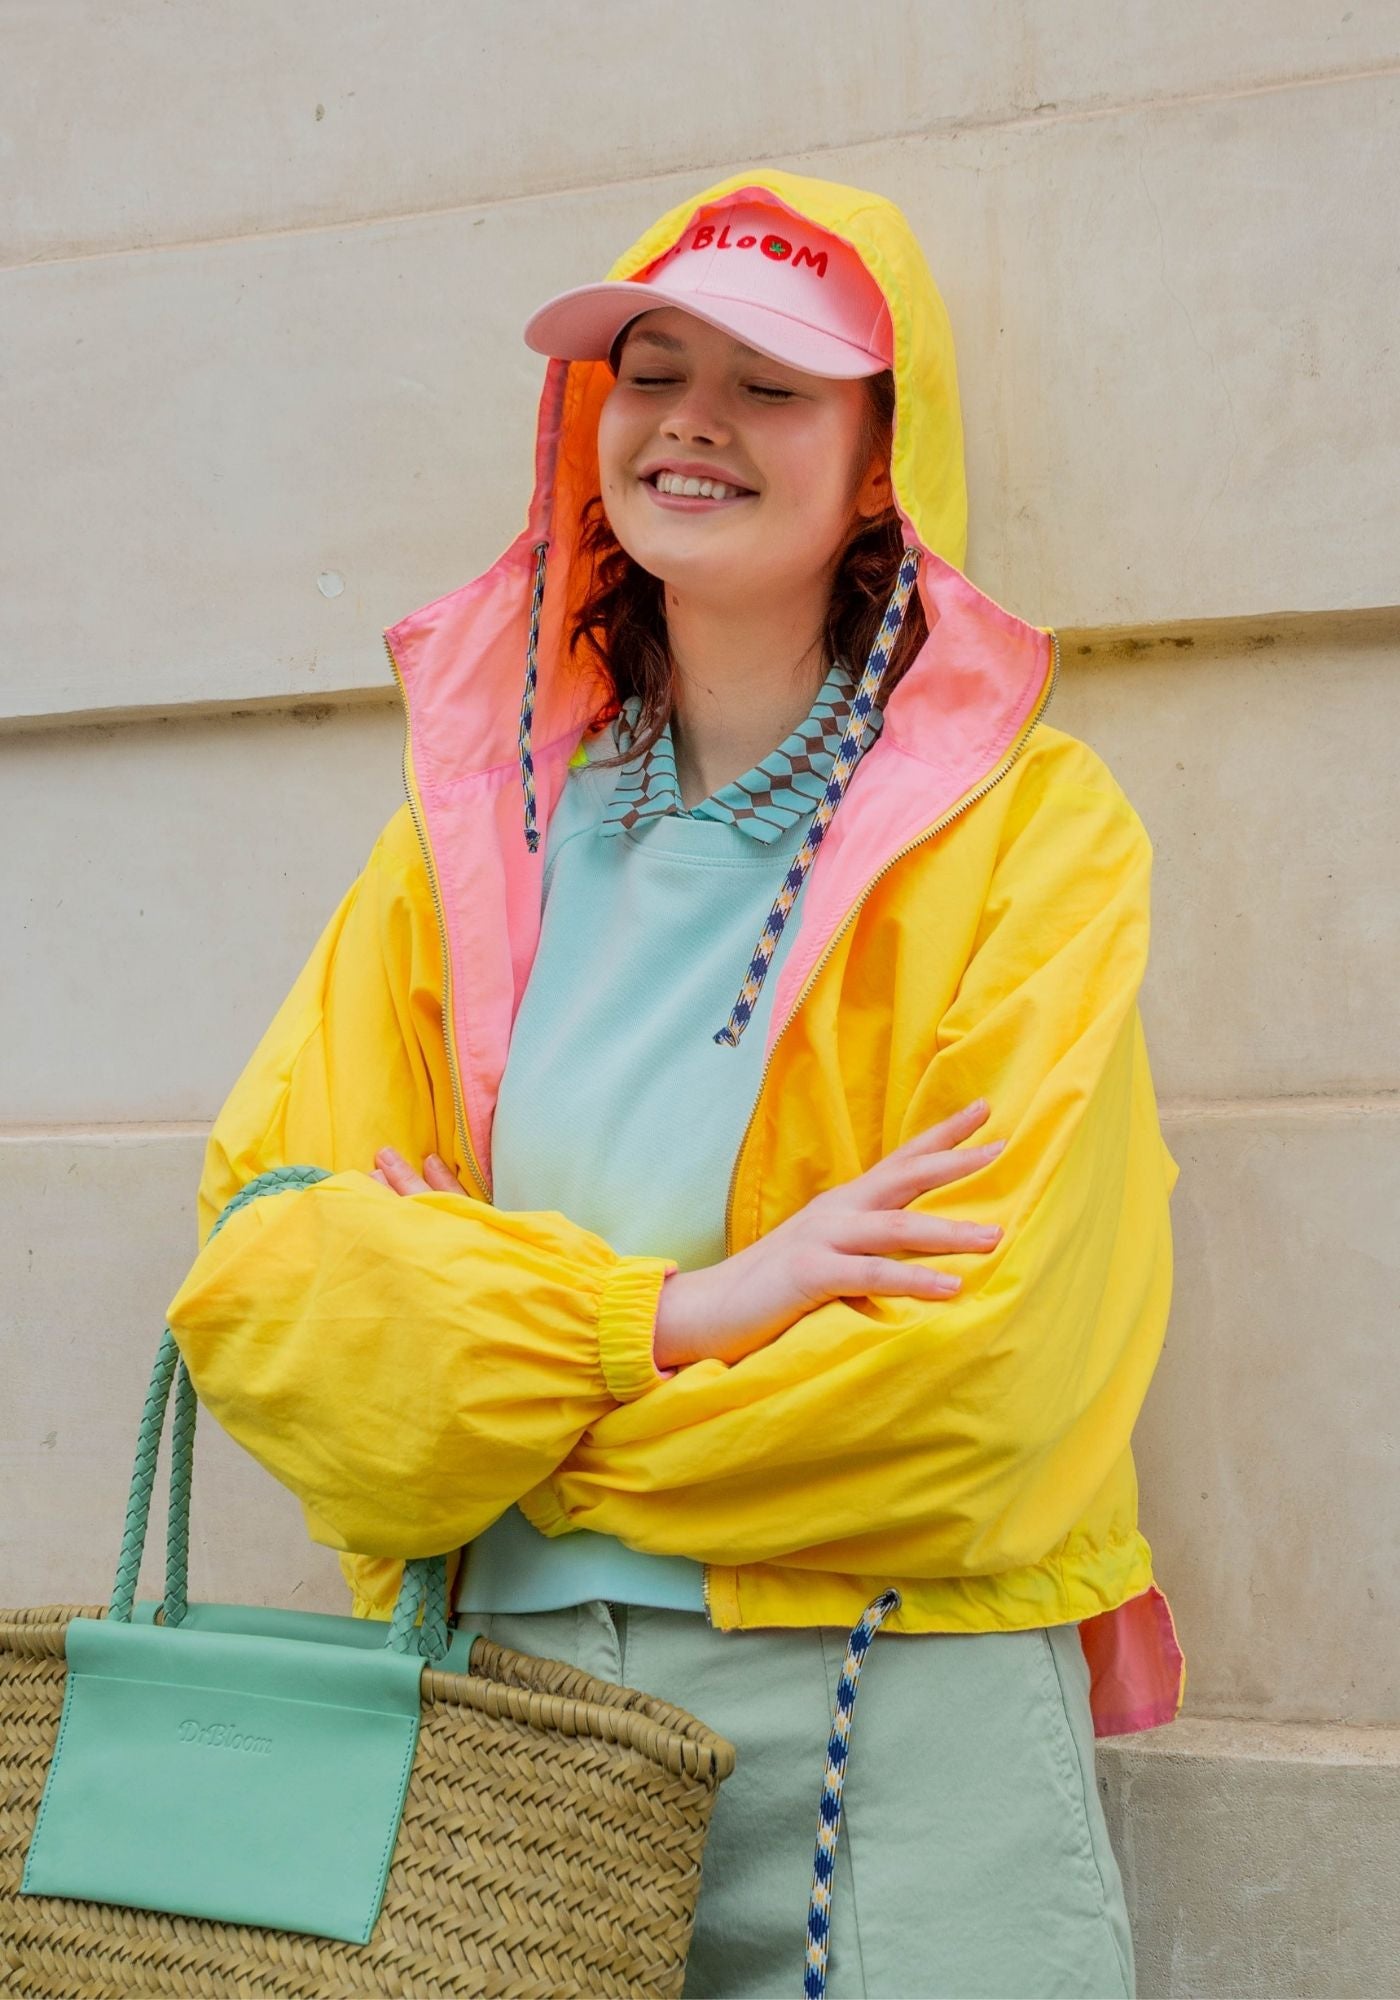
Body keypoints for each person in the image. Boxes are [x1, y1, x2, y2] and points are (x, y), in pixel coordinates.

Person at [166, 167, 1187, 1998]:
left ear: (882, 457)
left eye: (774, 383)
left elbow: (978, 1386)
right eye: (652, 368)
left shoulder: (1038, 838)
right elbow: (262, 1277)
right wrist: (696, 1311)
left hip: (897, 1725)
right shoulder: (465, 848)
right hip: (499, 1741)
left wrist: (483, 1403)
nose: (693, 423)